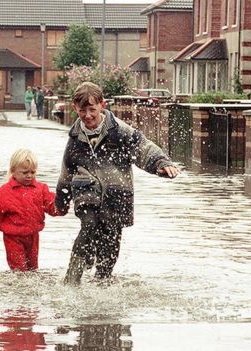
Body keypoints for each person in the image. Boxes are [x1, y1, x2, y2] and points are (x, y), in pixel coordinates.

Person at [55, 82, 179, 286]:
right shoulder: (75, 139)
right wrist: (61, 199)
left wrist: (161, 163)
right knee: (89, 225)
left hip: (116, 196)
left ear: (102, 105)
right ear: (75, 108)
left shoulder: (120, 131)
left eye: (92, 110)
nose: (87, 116)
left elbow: (143, 148)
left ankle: (103, 280)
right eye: (82, 111)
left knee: (111, 240)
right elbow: (66, 171)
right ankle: (72, 278)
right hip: (86, 193)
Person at [0, 148, 65, 271]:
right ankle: (18, 287)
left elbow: (51, 206)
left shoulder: (41, 189)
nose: (29, 176)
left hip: (33, 236)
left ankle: (30, 288)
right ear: (13, 171)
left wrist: (62, 205)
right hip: (13, 237)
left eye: (32, 172)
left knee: (33, 268)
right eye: (25, 173)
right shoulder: (5, 191)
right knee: (19, 269)